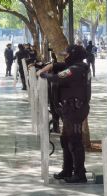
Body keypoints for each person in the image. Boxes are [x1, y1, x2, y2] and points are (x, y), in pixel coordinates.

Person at [37, 44, 91, 183]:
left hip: (75, 110)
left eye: (66, 55)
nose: (65, 57)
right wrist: (50, 65)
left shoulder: (77, 69)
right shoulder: (78, 67)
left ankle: (79, 173)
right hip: (70, 110)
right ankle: (68, 169)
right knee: (66, 140)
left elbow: (58, 77)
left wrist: (44, 75)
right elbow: (61, 67)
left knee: (75, 141)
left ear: (73, 55)